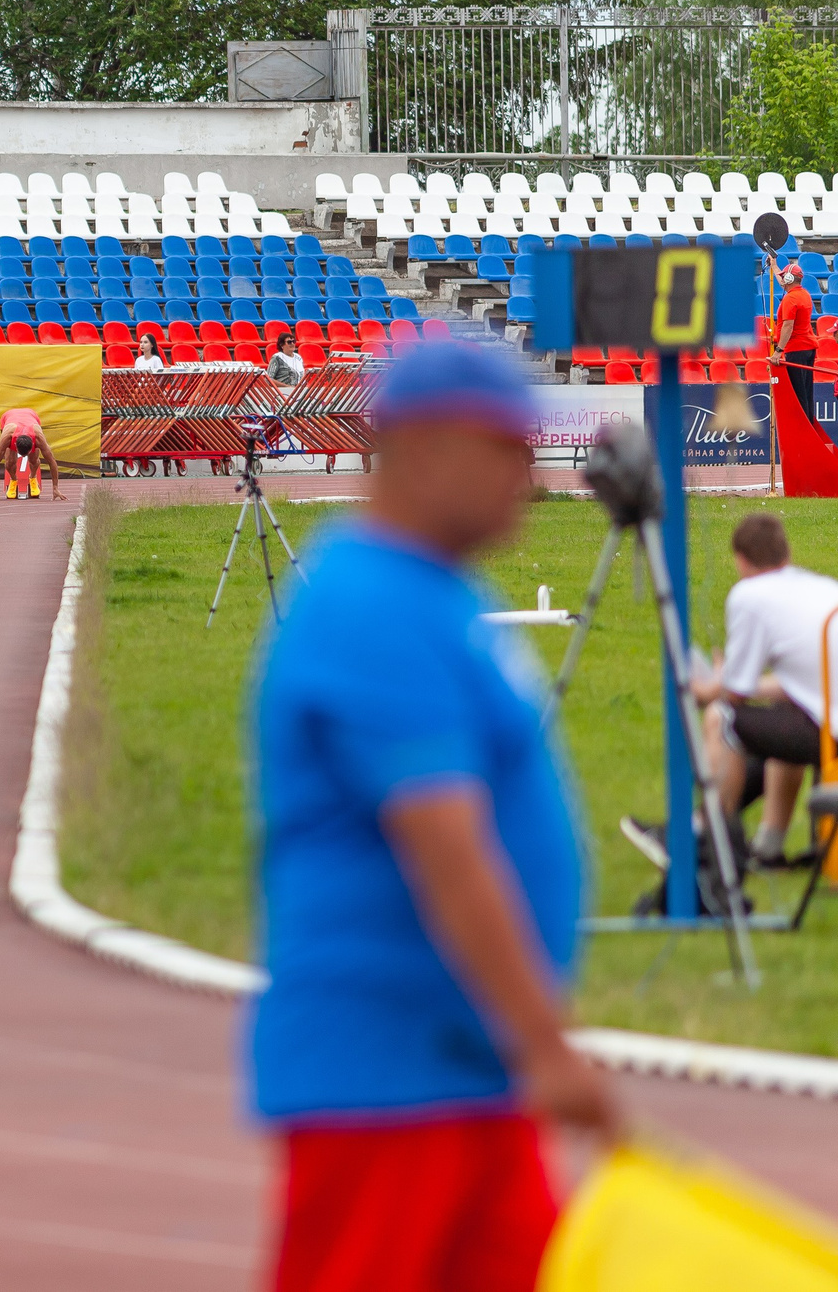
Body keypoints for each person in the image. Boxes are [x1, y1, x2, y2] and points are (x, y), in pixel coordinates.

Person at [249, 341, 618, 1292]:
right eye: (506, 450)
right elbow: (447, 846)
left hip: (466, 1071)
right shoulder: (371, 604)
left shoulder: (437, 594)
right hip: (385, 1080)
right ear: (420, 447)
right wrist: (545, 1041)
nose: (529, 478)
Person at [684, 513, 838, 873]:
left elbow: (735, 693)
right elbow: (802, 685)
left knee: (721, 718)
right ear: (786, 552)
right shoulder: (821, 587)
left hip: (830, 732)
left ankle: (706, 837)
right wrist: (728, 682)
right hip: (826, 718)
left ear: (741, 560)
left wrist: (709, 688)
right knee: (785, 716)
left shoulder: (750, 595)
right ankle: (768, 847)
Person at [0, 404, 62, 501]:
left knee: (34, 460)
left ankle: (33, 477)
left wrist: (55, 488)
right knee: (9, 463)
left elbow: (52, 461)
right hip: (8, 417)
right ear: (15, 446)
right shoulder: (7, 437)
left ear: (32, 446)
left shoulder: (38, 437)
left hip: (31, 416)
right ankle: (13, 479)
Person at [772, 260, 816, 420]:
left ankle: (802, 426)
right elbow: (783, 283)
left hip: (796, 349)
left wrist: (778, 351)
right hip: (808, 348)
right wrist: (774, 266)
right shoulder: (804, 294)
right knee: (806, 391)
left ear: (789, 278)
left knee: (798, 394)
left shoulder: (790, 299)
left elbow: (788, 326)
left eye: (784, 277)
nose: (783, 280)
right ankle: (808, 422)